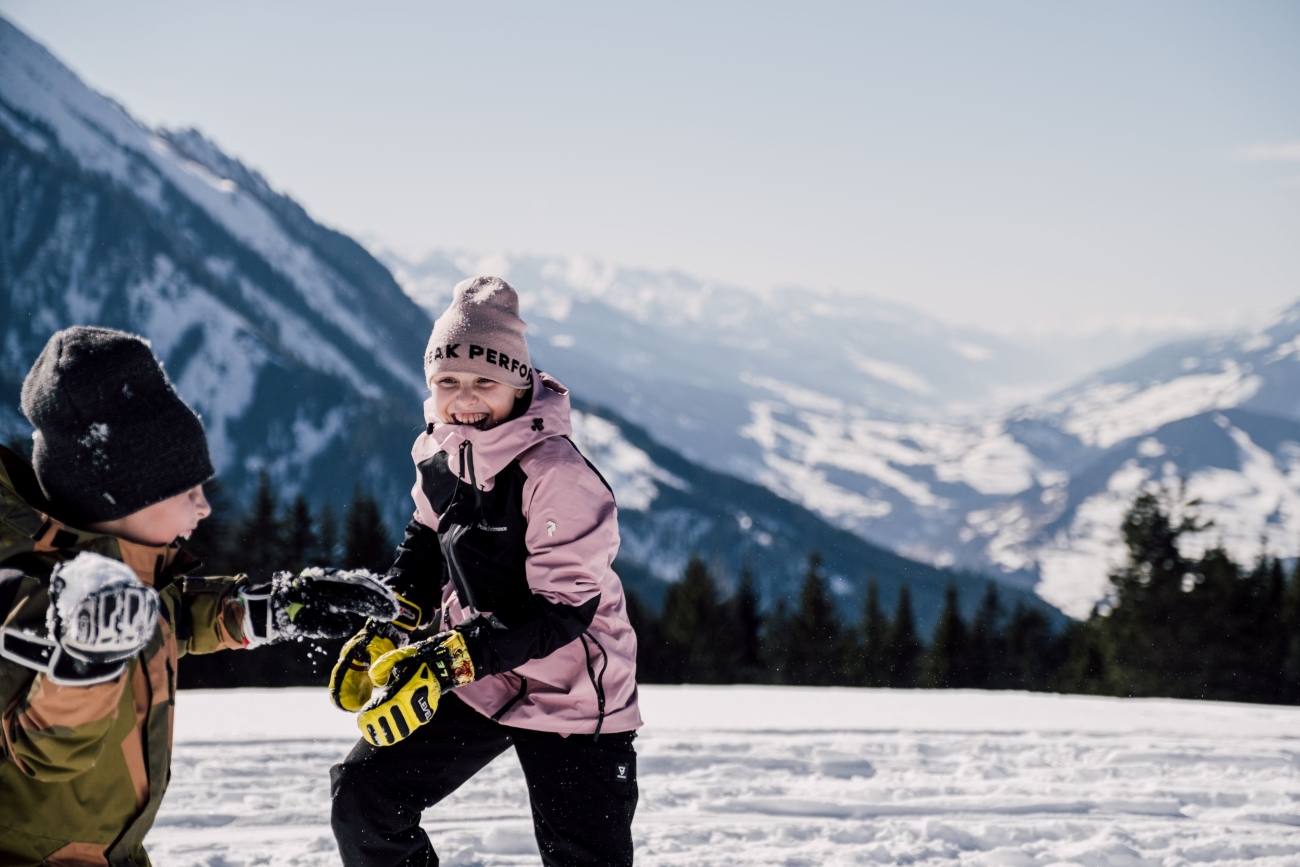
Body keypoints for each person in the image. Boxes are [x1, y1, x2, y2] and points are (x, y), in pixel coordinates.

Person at [0, 326, 394, 866]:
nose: (204, 507)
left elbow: (169, 618)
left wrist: (273, 608)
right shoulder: (33, 596)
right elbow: (40, 756)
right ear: (121, 495)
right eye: (188, 491)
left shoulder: (129, 578)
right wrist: (85, 666)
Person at [329, 277, 641, 867]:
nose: (463, 397)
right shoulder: (439, 453)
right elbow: (424, 546)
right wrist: (388, 628)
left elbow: (562, 611)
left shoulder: (557, 474)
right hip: (480, 675)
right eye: (448, 380)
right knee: (364, 796)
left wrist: (447, 657)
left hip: (571, 691)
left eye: (484, 381)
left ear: (519, 386)